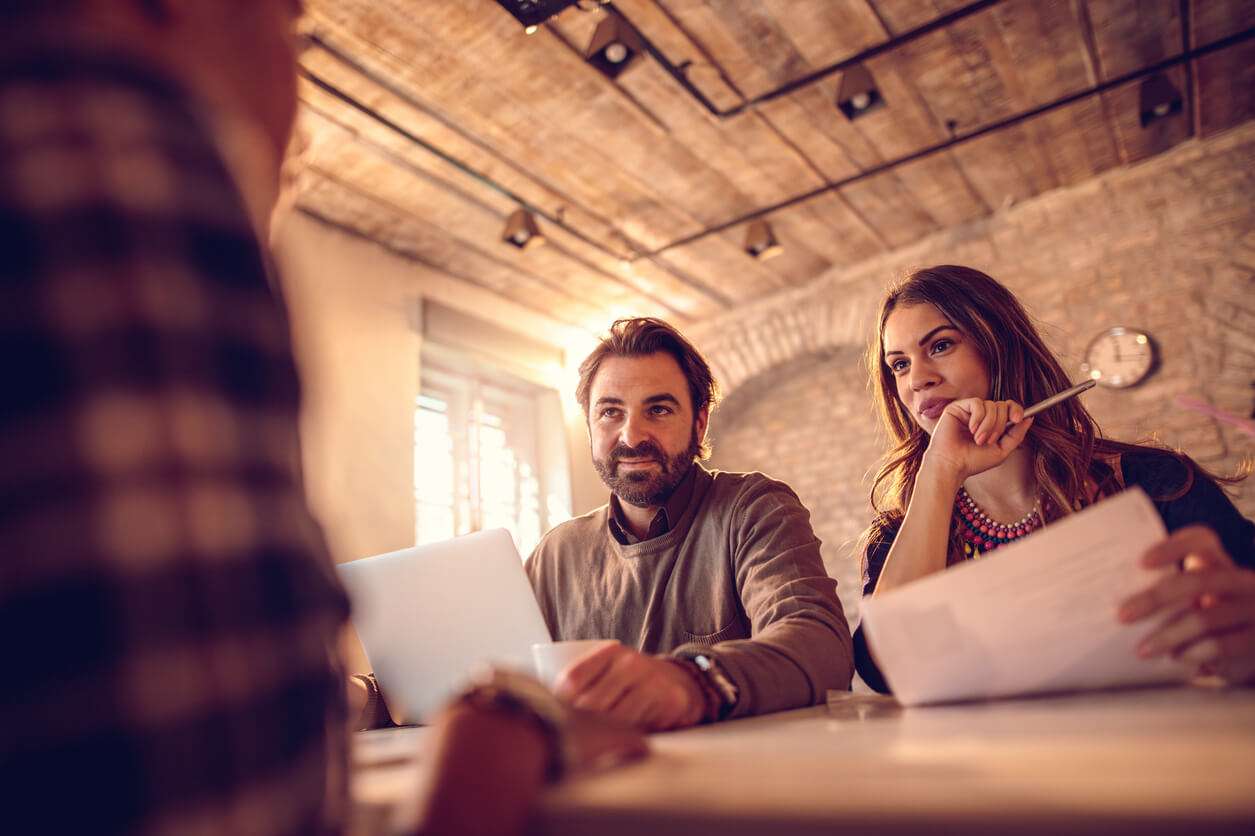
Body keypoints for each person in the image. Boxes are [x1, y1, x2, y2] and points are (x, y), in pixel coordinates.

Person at [0, 2, 641, 834]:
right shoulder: (95, 140)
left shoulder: (748, 510)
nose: (300, 124)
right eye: (292, 29)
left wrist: (323, 701)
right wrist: (499, 739)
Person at [854, 265, 1255, 692]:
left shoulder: (1155, 481)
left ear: (1001, 347)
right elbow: (886, 669)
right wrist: (939, 472)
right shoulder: (898, 532)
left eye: (940, 345)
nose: (917, 379)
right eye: (898, 364)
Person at [527, 317, 854, 730]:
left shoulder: (754, 509)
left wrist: (694, 681)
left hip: (726, 786)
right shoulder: (554, 553)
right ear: (590, 425)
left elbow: (822, 647)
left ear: (699, 424)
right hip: (591, 785)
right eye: (610, 411)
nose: (631, 435)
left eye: (658, 409)